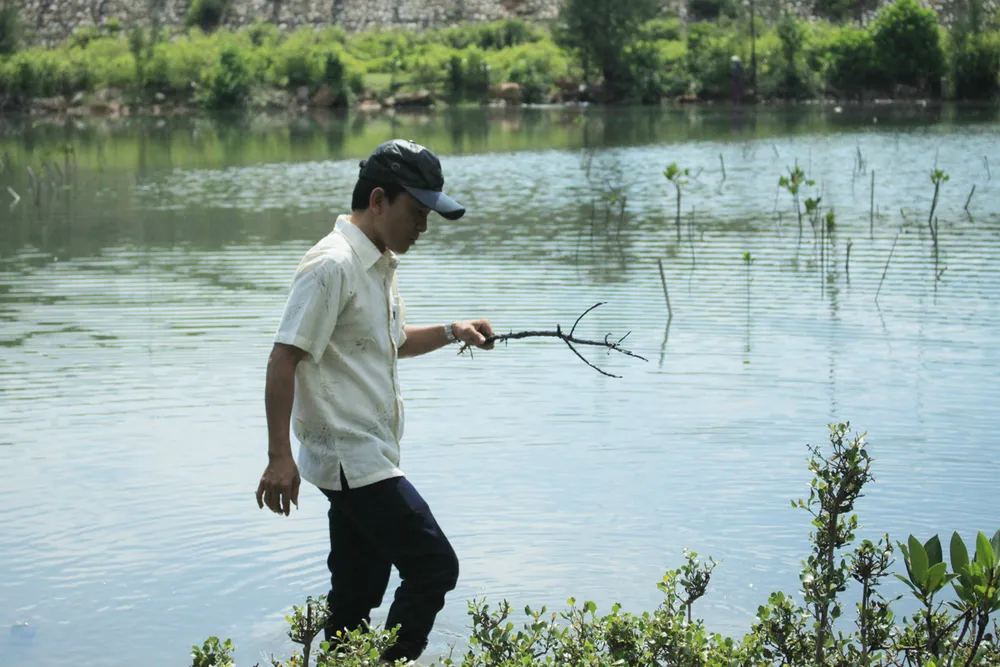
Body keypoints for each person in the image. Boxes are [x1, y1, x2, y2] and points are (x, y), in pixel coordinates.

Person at [255, 139, 495, 664]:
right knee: (434, 564)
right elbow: (282, 358)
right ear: (380, 200)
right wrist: (279, 457)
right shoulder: (332, 265)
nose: (423, 227)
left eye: (429, 215)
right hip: (352, 457)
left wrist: (454, 331)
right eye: (417, 212)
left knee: (358, 592)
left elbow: (389, 341)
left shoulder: (377, 264)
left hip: (366, 456)